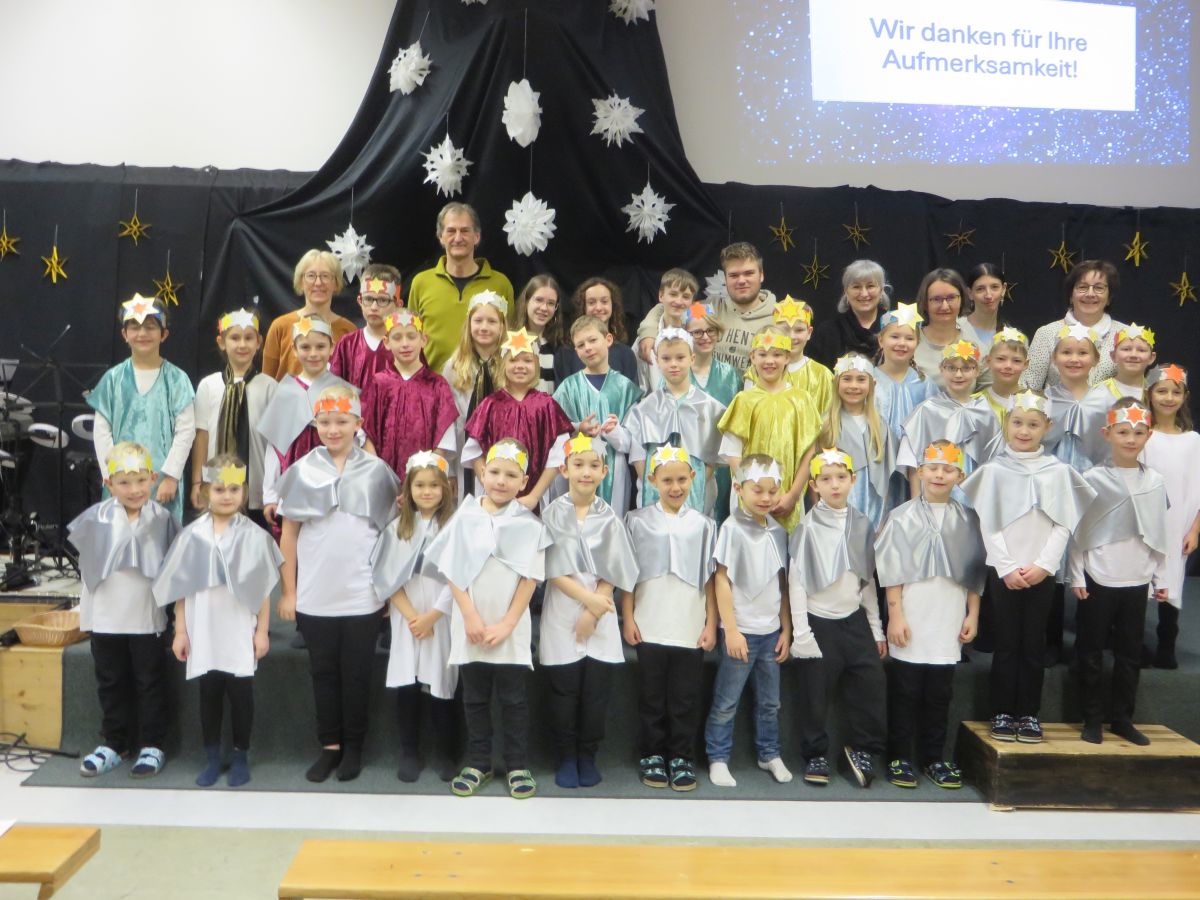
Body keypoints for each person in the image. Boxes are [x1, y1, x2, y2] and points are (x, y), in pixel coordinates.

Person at [276, 385, 403, 783]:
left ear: (358, 423)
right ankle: (329, 746)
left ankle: (355, 747)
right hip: (316, 594)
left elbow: (391, 534)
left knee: (357, 674)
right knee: (324, 673)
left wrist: (387, 589)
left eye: (342, 422)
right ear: (314, 424)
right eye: (325, 422)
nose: (333, 429)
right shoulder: (302, 471)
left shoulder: (377, 471)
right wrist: (290, 591)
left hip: (362, 594)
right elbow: (289, 535)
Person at [962, 390, 1095, 744]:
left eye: (1033, 424)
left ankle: (1029, 713)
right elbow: (988, 523)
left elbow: (1063, 523)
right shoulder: (994, 471)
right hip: (1004, 572)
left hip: (1041, 572)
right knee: (1007, 642)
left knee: (1033, 642)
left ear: (1046, 427)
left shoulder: (1058, 472)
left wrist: (1044, 564)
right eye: (1018, 423)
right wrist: (1006, 566)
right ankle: (1002, 711)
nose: (1024, 430)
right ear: (1007, 423)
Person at [424, 438, 552, 799]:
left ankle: (517, 763)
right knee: (475, 697)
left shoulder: (530, 526)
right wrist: (469, 616)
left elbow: (530, 578)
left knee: (514, 699)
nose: (501, 481)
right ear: (482, 473)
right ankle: (479, 761)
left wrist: (508, 623)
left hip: (508, 627)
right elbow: (452, 571)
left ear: (524, 481)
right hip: (472, 625)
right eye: (494, 472)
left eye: (511, 475)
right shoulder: (464, 518)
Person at [154, 456, 282, 787]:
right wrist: (181, 631)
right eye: (219, 489)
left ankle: (240, 756)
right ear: (206, 492)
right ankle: (212, 757)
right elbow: (182, 589)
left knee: (241, 696)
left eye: (234, 489)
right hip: (204, 628)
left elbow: (263, 589)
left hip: (238, 627)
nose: (227, 496)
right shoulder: (192, 536)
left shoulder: (254, 536)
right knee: (208, 694)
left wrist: (262, 631)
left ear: (243, 492)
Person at [876, 440, 985, 789]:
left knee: (939, 695)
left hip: (947, 619)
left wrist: (973, 614)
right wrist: (895, 616)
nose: (940, 474)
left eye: (948, 469)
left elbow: (973, 573)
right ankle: (899, 757)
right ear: (920, 471)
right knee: (904, 693)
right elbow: (891, 572)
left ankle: (934, 758)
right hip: (912, 617)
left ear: (960, 475)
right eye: (933, 468)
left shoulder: (969, 519)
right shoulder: (901, 516)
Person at [68, 442, 179, 779]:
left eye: (141, 481)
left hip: (146, 618)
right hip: (106, 618)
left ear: (153, 479)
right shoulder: (96, 519)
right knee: (111, 681)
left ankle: (152, 743)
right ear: (108, 483)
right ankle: (115, 743)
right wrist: (86, 616)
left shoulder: (163, 520)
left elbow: (174, 571)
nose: (134, 490)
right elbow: (89, 572)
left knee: (149, 682)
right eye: (124, 482)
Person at [540, 434, 639, 788]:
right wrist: (588, 599)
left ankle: (587, 754)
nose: (586, 472)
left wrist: (595, 608)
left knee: (596, 695)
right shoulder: (551, 514)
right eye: (578, 465)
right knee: (564, 693)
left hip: (600, 615)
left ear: (604, 472)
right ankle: (566, 756)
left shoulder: (611, 518)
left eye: (593, 466)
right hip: (562, 611)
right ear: (564, 469)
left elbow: (616, 566)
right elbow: (549, 567)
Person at [1069, 399, 1168, 746]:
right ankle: (1091, 718)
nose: (1131, 439)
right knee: (1091, 650)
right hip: (1099, 577)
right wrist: (1077, 574)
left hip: (1137, 578)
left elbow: (1159, 532)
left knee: (1129, 653)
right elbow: (1078, 531)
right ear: (1107, 433)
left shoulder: (1154, 481)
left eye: (1139, 433)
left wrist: (1160, 577)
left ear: (1149, 435)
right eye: (1123, 432)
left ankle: (1123, 719)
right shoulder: (1092, 479)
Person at [622, 445, 718, 792]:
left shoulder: (704, 525)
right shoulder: (637, 521)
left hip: (689, 624)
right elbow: (628, 574)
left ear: (693, 478)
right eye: (667, 481)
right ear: (652, 480)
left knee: (684, 697)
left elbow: (710, 579)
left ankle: (681, 756)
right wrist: (628, 616)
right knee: (651, 696)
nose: (675, 487)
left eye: (681, 480)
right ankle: (652, 753)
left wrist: (711, 624)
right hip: (650, 621)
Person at [788, 448, 886, 789]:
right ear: (814, 485)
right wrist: (802, 632)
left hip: (853, 620)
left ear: (853, 480)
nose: (834, 485)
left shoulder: (862, 524)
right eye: (826, 479)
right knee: (815, 693)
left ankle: (863, 749)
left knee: (871, 684)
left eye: (841, 477)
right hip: (818, 622)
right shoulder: (807, 528)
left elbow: (867, 580)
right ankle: (815, 753)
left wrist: (876, 629)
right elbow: (797, 582)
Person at [370, 451, 460, 782]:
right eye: (419, 485)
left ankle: (446, 751)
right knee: (407, 682)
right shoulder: (397, 530)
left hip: (442, 617)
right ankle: (409, 751)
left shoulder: (454, 528)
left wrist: (433, 616)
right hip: (407, 618)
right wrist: (413, 617)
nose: (426, 492)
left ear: (445, 489)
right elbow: (386, 578)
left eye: (434, 485)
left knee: (441, 683)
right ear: (408, 489)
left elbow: (460, 577)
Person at [704, 455, 792, 789]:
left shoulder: (779, 531)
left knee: (770, 702)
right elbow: (721, 580)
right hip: (741, 633)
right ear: (739, 489)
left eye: (772, 490)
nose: (766, 497)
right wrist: (731, 629)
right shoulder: (731, 528)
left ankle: (769, 753)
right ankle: (718, 758)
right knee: (726, 702)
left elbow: (782, 583)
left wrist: (786, 628)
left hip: (770, 634)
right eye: (757, 490)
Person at [89, 295, 195, 522]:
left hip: (162, 485)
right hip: (120, 482)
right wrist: (111, 476)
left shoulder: (177, 380)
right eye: (135, 327)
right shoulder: (113, 379)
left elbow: (186, 431)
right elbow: (101, 431)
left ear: (164, 334)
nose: (142, 333)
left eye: (150, 327)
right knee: (120, 537)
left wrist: (171, 476)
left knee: (160, 538)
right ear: (124, 334)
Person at [719, 326, 822, 532]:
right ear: (752, 357)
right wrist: (752, 491)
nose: (769, 361)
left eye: (777, 354)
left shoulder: (801, 400)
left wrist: (792, 495)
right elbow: (733, 453)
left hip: (788, 496)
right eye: (763, 354)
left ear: (787, 357)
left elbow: (809, 452)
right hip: (749, 499)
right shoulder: (744, 400)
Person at [257, 316, 354, 530]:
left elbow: (354, 442)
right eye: (305, 347)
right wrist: (270, 495)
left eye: (320, 346)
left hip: (333, 481)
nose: (313, 354)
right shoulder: (285, 392)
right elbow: (274, 449)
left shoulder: (343, 391)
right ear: (294, 349)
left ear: (332, 347)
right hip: (293, 481)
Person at [462, 328, 573, 510]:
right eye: (513, 360)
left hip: (533, 500)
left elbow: (558, 456)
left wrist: (534, 496)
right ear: (503, 365)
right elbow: (474, 452)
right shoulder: (490, 405)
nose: (520, 366)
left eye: (527, 360)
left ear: (536, 365)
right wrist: (490, 487)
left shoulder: (546, 406)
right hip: (494, 500)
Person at [620, 329, 725, 514]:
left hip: (696, 493)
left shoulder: (709, 408)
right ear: (657, 361)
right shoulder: (644, 409)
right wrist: (658, 487)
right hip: (655, 494)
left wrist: (691, 487)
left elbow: (711, 461)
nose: (673, 364)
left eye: (680, 358)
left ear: (692, 358)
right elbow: (639, 459)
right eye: (666, 359)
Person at [636, 242, 778, 373]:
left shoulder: (778, 316)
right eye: (734, 275)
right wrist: (648, 331)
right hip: (710, 390)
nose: (741, 280)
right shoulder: (710, 309)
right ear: (726, 279)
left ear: (761, 275)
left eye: (749, 273)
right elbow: (668, 308)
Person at [190, 309, 277, 523]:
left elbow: (274, 444)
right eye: (235, 338)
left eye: (249, 338)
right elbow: (202, 436)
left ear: (259, 343)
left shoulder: (269, 387)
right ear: (222, 342)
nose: (242, 344)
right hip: (216, 486)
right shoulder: (208, 385)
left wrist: (273, 491)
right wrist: (197, 482)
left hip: (256, 490)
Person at [551, 316, 642, 516]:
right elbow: (555, 432)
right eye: (581, 345)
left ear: (608, 339)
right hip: (576, 470)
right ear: (576, 350)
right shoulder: (568, 387)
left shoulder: (625, 388)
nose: (588, 348)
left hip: (614, 471)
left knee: (611, 523)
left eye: (593, 340)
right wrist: (577, 429)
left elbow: (632, 443)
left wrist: (615, 432)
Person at [408, 202, 514, 373]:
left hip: (486, 385)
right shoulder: (421, 283)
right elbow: (410, 337)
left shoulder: (500, 284)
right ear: (440, 237)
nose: (458, 238)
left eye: (465, 231)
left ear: (476, 237)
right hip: (430, 385)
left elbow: (510, 339)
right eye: (451, 231)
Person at [1141, 364, 1200, 668]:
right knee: (1139, 579)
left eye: (1175, 392)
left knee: (1172, 576)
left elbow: (1197, 488)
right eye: (1161, 391)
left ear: (1185, 396)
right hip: (1145, 523)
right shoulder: (1142, 435)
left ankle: (1167, 645)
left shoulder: (1193, 441)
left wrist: (1194, 529)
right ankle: (1132, 642)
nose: (1168, 398)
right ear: (1149, 394)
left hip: (1178, 523)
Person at [360, 309, 459, 478]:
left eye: (411, 337)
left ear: (423, 340)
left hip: (424, 483)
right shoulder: (378, 383)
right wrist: (379, 473)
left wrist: (426, 477)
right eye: (397, 337)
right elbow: (366, 433)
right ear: (386, 342)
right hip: (382, 479)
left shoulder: (437, 385)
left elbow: (443, 440)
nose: (405, 344)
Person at [897, 341, 1000, 504]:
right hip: (932, 501)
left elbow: (994, 465)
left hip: (973, 503)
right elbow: (912, 462)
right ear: (941, 369)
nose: (958, 375)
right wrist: (917, 504)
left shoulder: (985, 413)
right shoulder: (926, 411)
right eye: (951, 368)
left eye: (966, 368)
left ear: (977, 370)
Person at [819, 353, 898, 529]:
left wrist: (883, 522)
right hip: (835, 516)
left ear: (872, 384)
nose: (853, 386)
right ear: (836, 382)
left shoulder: (881, 427)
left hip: (874, 516)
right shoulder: (826, 425)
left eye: (861, 379)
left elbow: (886, 479)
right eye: (847, 379)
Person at [1022, 260, 1128, 391]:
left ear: (1109, 298)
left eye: (1099, 288)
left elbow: (1132, 386)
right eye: (1082, 287)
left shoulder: (1125, 335)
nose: (1090, 294)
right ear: (1071, 296)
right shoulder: (1046, 333)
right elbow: (1028, 386)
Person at [442, 290, 508, 498]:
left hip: (503, 450)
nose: (484, 327)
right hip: (464, 452)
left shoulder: (510, 364)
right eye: (478, 320)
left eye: (492, 321)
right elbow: (448, 420)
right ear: (469, 324)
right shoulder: (454, 366)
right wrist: (449, 470)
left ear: (502, 326)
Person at [262, 249, 356, 380]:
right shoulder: (280, 326)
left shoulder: (349, 331)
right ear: (301, 282)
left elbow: (353, 380)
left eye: (325, 276)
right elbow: (267, 381)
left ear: (336, 283)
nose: (318, 283)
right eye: (311, 276)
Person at [746, 296, 834, 416]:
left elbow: (828, 419)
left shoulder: (822, 375)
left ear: (809, 332)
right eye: (784, 330)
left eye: (799, 330)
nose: (791, 336)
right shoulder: (757, 371)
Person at [1044, 324, 1111, 473]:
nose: (1074, 359)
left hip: (1094, 480)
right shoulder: (1044, 400)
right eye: (1066, 352)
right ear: (1054, 357)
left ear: (1096, 359)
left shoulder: (1106, 400)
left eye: (1082, 353)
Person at [911, 268, 988, 390]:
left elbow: (989, 395)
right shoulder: (908, 344)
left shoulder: (976, 347)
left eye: (951, 298)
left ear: (961, 299)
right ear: (925, 302)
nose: (945, 306)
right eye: (936, 299)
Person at [553, 277, 640, 384]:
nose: (598, 307)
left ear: (613, 305)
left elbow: (632, 393)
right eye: (591, 302)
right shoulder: (565, 355)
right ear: (583, 306)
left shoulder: (626, 354)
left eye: (604, 301)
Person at [806, 259, 890, 368]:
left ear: (881, 290)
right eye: (856, 287)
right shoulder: (827, 332)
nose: (864, 294)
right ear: (846, 291)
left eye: (870, 286)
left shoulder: (894, 328)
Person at [329, 265, 401, 389]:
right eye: (368, 299)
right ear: (359, 300)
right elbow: (334, 389)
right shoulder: (347, 344)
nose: (374, 307)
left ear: (397, 304)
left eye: (382, 300)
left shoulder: (405, 345)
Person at [872, 303, 933, 446]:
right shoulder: (869, 380)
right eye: (894, 337)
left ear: (917, 342)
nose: (902, 343)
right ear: (881, 340)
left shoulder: (925, 384)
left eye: (909, 338)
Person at [640, 268, 699, 391]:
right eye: (673, 294)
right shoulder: (646, 340)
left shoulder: (698, 336)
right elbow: (641, 384)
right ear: (661, 296)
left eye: (686, 297)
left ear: (692, 302)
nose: (679, 301)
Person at [510, 274, 566, 393]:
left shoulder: (559, 348)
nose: (544, 308)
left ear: (556, 308)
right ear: (526, 301)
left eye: (551, 303)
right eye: (539, 300)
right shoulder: (509, 342)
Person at [975, 328, 1029, 422]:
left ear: (1025, 364)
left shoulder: (1034, 403)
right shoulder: (975, 404)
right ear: (988, 360)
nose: (1008, 366)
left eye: (1016, 361)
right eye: (1001, 359)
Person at [1097, 323, 1156, 400]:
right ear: (1113, 356)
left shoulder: (1157, 393)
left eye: (1141, 350)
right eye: (1126, 349)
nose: (1133, 355)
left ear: (1151, 358)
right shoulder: (1097, 393)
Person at [965, 263, 1012, 348]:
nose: (988, 295)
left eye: (994, 287)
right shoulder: (953, 330)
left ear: (1003, 289)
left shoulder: (1012, 337)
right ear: (970, 293)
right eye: (980, 289)